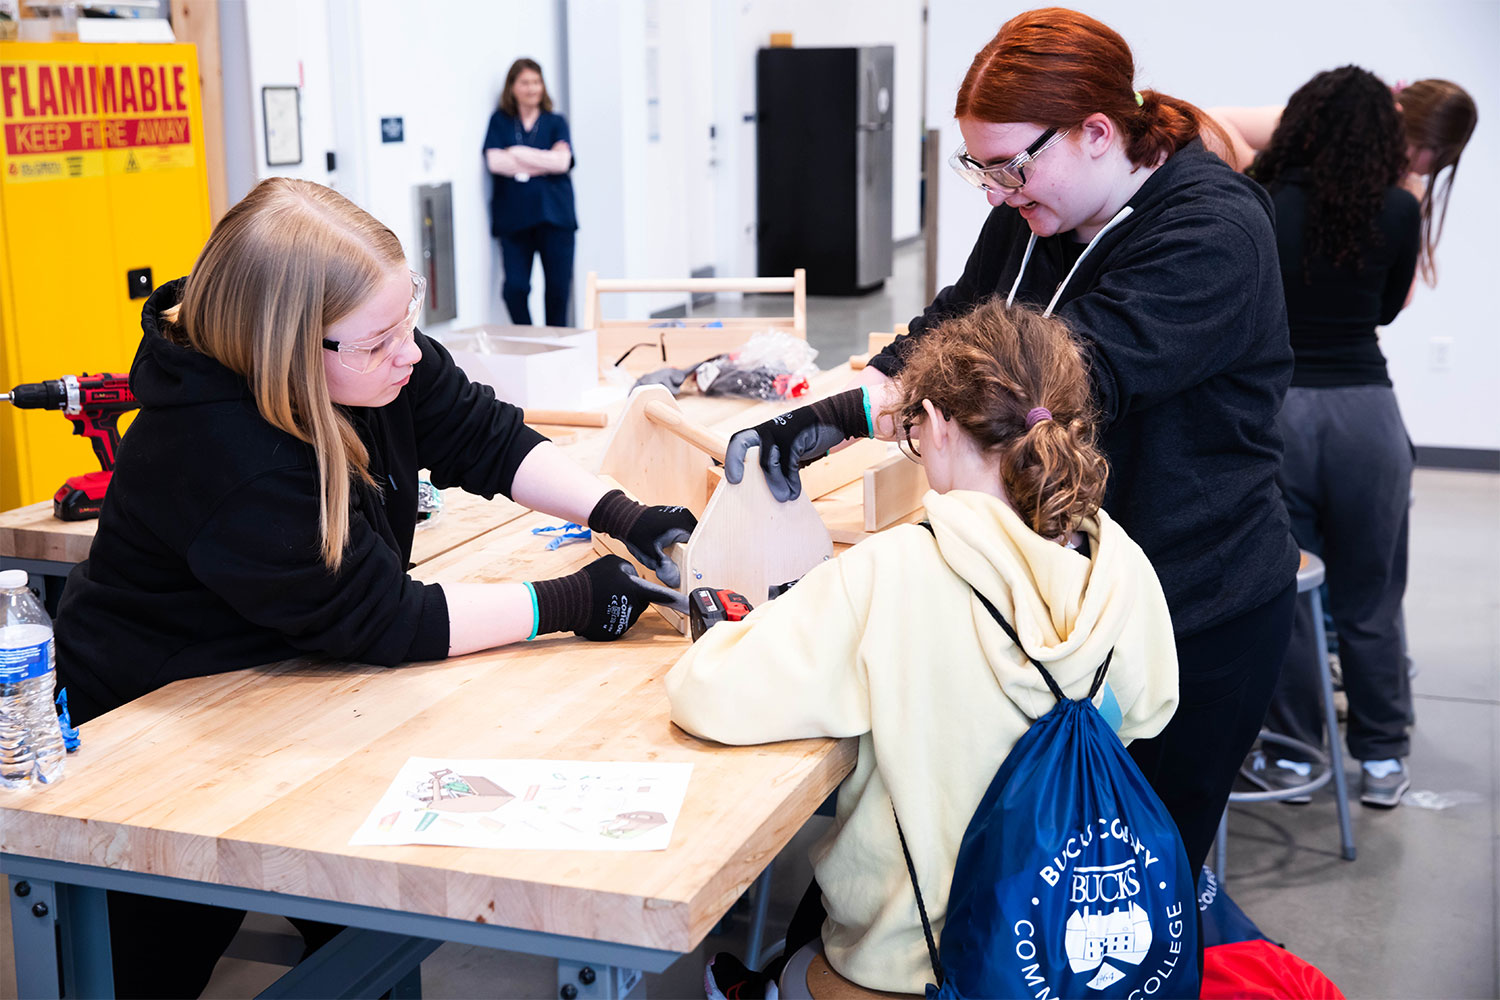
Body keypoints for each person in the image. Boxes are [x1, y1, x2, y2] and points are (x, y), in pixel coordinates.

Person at [52, 177, 692, 998]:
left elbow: (479, 433)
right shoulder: (222, 451)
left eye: (407, 321)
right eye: (380, 340)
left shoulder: (370, 361)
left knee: (363, 932)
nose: (409, 354)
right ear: (289, 345)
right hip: (159, 729)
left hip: (292, 688)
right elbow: (382, 619)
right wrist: (569, 601)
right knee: (154, 958)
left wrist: (621, 512)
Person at [724, 7, 1299, 877]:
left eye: (1009, 167)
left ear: (1097, 132)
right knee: (1013, 880)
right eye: (981, 169)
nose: (995, 192)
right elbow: (958, 318)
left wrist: (849, 420)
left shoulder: (1213, 231)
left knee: (1113, 894)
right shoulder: (1035, 209)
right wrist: (850, 397)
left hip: (1186, 606)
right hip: (1055, 598)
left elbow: (1063, 381)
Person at [670, 300, 1180, 995]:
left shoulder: (894, 572)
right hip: (1055, 941)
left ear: (937, 423)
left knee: (793, 970)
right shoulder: (1121, 566)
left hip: (916, 966)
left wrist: (725, 632)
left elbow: (709, 694)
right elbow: (1149, 710)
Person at [1232, 68, 1422, 808]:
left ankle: (1292, 756)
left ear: (1301, 123)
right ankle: (1381, 759)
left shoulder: (1264, 203)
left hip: (1280, 413)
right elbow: (1387, 309)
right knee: (1370, 595)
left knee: (1289, 590)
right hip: (1367, 414)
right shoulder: (1399, 211)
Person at [1211, 77, 1476, 288]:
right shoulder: (1320, 128)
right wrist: (1256, 179)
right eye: (1441, 159)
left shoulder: (1407, 192)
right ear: (1430, 144)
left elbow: (1396, 298)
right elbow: (1211, 121)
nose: (1432, 171)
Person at [484, 57, 577, 327]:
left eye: (536, 82)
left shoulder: (556, 121)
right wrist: (545, 161)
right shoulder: (500, 121)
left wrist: (519, 154)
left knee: (558, 293)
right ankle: (529, 340)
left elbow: (562, 162)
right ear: (512, 87)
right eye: (525, 82)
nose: (532, 88)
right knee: (515, 289)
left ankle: (556, 350)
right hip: (514, 221)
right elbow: (495, 162)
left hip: (556, 218)